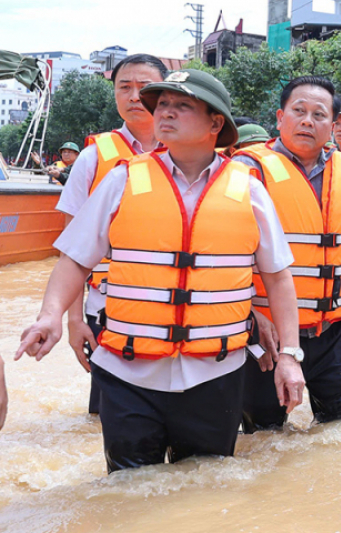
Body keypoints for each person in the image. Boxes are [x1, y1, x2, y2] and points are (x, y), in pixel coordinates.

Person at [16, 69, 306, 472]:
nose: (165, 112)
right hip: (128, 375)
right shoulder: (122, 179)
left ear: (215, 124)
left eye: (181, 105)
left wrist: (290, 356)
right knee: (129, 491)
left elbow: (278, 278)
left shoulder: (249, 189)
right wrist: (51, 316)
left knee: (205, 489)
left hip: (215, 374)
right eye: (162, 104)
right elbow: (75, 260)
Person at [234, 77, 341, 428]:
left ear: (333, 125)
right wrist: (250, 314)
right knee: (264, 437)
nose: (308, 121)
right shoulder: (246, 172)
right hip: (266, 334)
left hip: (336, 333)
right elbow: (224, 259)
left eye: (319, 114)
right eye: (299, 111)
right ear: (280, 118)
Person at [55, 53, 168, 415]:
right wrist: (74, 320)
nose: (134, 96)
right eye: (124, 87)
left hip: (180, 312)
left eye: (145, 87)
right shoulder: (92, 158)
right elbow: (71, 250)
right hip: (107, 311)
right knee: (112, 419)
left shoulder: (191, 154)